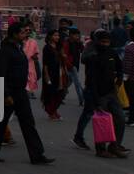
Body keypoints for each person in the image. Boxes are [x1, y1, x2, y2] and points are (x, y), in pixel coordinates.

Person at [0, 23, 54, 165]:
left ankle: (37, 155)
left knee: (28, 123)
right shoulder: (5, 51)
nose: (25, 35)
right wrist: (6, 95)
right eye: (23, 32)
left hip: (20, 92)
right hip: (9, 93)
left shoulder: (18, 49)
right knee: (0, 124)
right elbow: (1, 74)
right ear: (14, 34)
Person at [74, 30, 129, 158]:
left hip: (111, 92)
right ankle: (101, 149)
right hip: (99, 93)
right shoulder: (93, 56)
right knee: (102, 122)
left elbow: (119, 66)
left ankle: (114, 145)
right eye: (103, 42)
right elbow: (91, 79)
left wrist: (120, 77)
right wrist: (96, 99)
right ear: (97, 42)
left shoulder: (112, 53)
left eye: (107, 42)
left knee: (120, 118)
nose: (105, 44)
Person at [40, 30, 67, 120]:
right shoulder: (47, 48)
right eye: (55, 35)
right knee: (51, 93)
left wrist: (63, 56)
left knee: (60, 93)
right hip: (50, 73)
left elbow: (62, 58)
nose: (57, 37)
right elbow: (45, 64)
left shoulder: (59, 47)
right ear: (50, 36)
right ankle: (51, 112)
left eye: (58, 35)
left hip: (59, 72)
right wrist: (46, 76)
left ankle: (54, 110)